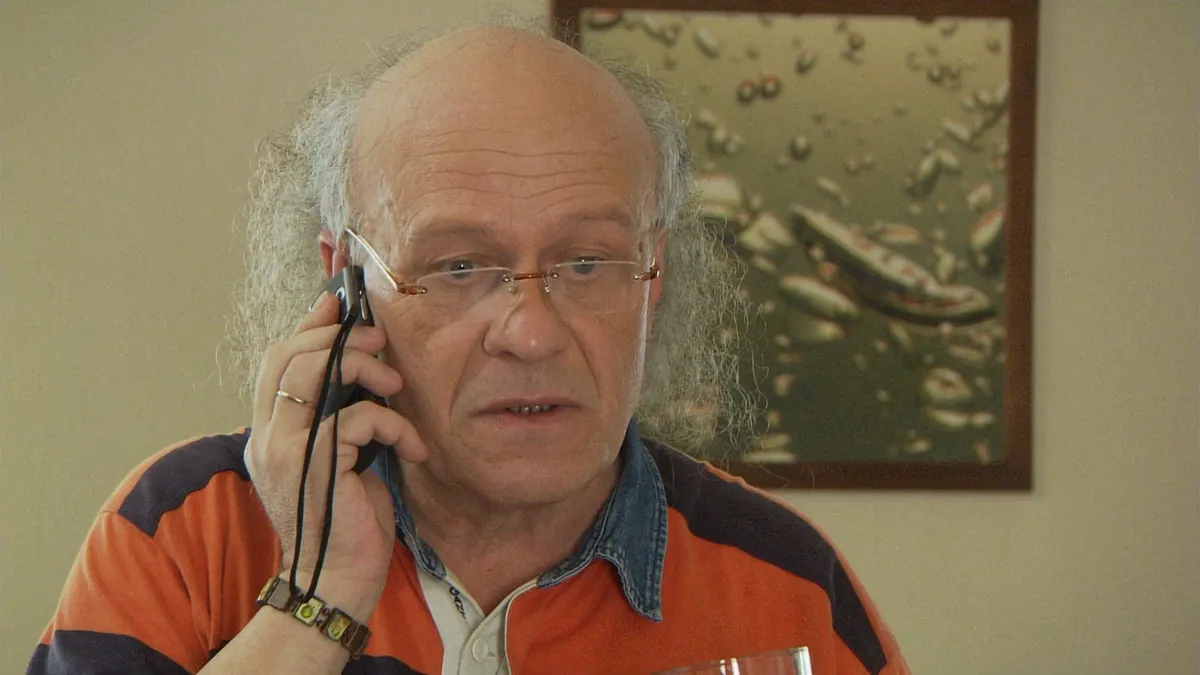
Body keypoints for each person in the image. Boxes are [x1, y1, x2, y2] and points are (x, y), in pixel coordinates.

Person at [27, 21, 909, 675]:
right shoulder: (186, 530)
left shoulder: (787, 584)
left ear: (654, 276)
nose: (530, 332)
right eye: (457, 266)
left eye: (587, 261)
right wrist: (312, 603)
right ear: (346, 284)